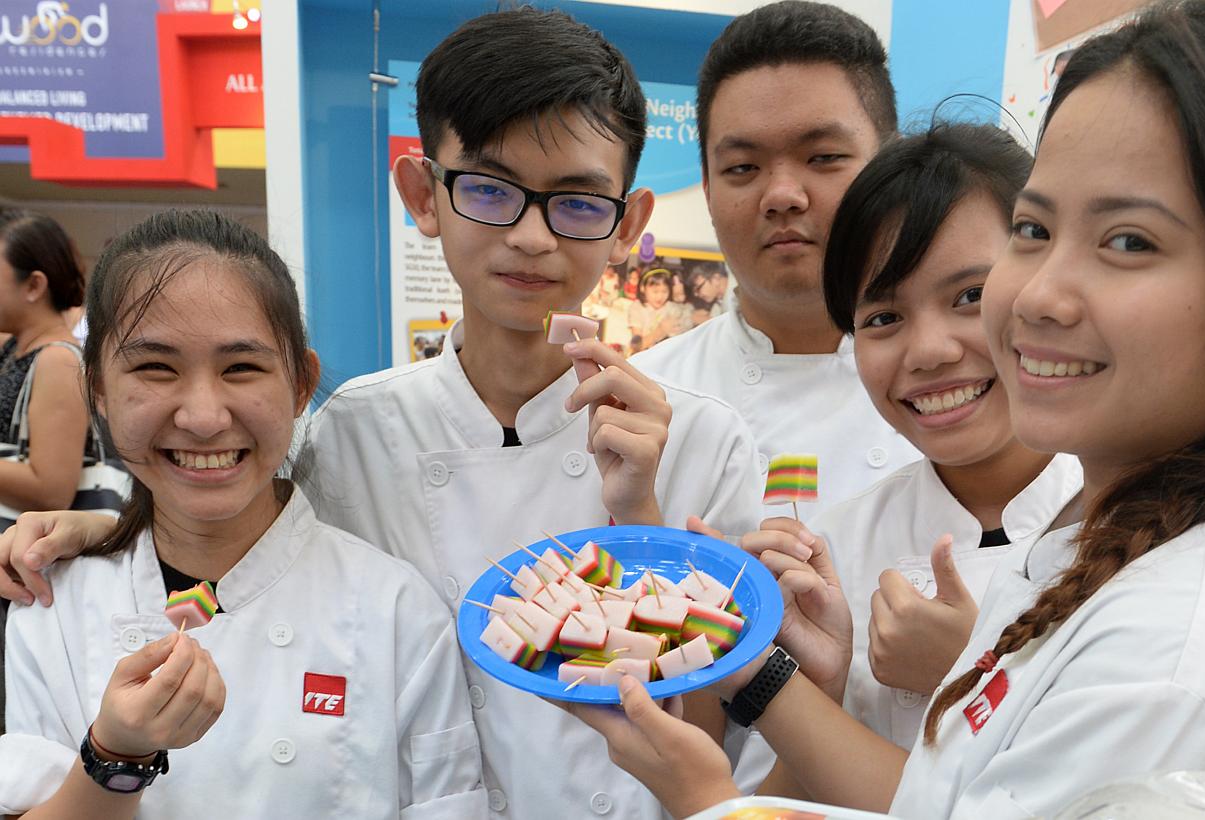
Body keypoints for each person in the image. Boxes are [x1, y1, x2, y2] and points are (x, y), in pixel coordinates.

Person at [571, 2, 1205, 817]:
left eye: (1129, 241)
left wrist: (710, 801)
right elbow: (942, 798)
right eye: (1035, 228)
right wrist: (762, 671)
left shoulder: (1170, 670)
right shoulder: (1100, 538)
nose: (1039, 296)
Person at [0, 10, 763, 820]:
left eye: (577, 202)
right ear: (421, 195)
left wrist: (637, 516)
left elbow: (723, 729)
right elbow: (238, 534)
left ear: (628, 225)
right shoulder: (353, 432)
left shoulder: (700, 440)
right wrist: (99, 530)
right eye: (491, 190)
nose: (533, 236)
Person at [0, 210, 485, 816]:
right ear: (97, 387)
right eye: (156, 367)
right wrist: (115, 755)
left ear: (302, 384)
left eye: (241, 368)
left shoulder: (397, 613)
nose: (204, 417)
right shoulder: (54, 606)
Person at [732, 124, 1083, 787]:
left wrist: (972, 669)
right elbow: (791, 803)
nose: (928, 351)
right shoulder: (835, 550)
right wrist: (823, 687)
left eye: (970, 297)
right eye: (883, 317)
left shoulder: (1131, 532)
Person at [630, 0, 920, 518]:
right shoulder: (644, 397)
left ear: (892, 168)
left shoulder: (961, 388)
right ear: (707, 188)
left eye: (824, 157)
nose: (783, 194)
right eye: (743, 166)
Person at [0, 210, 91, 522]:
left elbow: (51, 490)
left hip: (24, 558)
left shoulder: (59, 360)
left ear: (34, 286)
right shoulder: (14, 347)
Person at [628, 268, 691, 351]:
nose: (660, 297)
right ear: (642, 288)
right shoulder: (637, 308)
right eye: (655, 291)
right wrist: (661, 330)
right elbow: (636, 346)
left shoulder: (671, 307)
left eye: (665, 291)